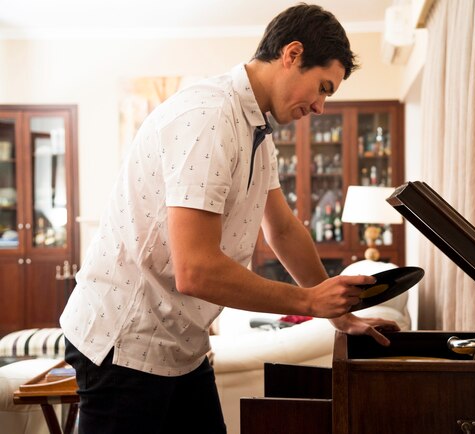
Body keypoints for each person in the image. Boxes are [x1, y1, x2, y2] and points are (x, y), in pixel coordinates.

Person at [60, 3, 400, 433]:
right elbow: (196, 270)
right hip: (125, 340)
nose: (320, 107)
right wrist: (309, 302)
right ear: (292, 54)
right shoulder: (210, 117)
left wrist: (338, 314)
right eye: (323, 87)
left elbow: (282, 229)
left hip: (180, 341)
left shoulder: (257, 130)